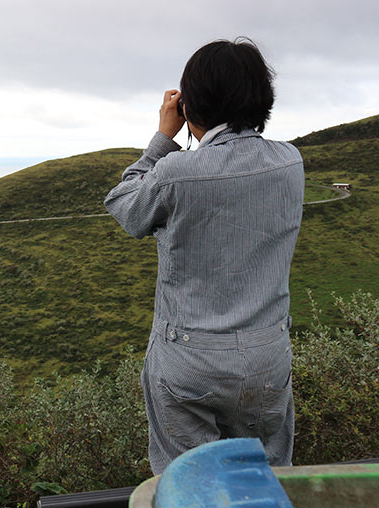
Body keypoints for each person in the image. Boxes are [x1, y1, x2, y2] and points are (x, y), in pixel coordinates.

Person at [103, 38, 304, 475]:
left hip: (190, 360)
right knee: (266, 481)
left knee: (193, 487)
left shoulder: (177, 172)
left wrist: (163, 137)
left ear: (192, 105)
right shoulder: (289, 161)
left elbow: (125, 207)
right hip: (267, 355)